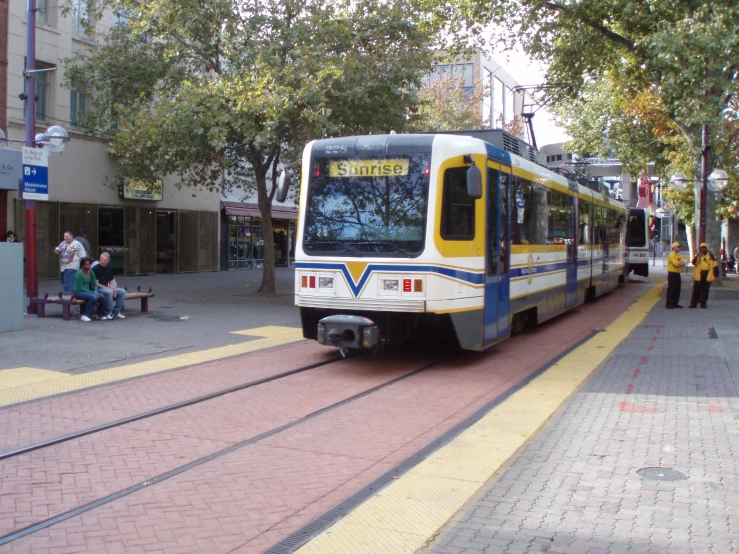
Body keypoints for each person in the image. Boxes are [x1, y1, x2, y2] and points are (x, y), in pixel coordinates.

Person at [92, 252, 126, 319]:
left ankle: (117, 312)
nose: (102, 261)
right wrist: (110, 289)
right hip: (98, 288)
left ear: (108, 261)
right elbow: (96, 284)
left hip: (107, 287)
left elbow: (111, 281)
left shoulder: (109, 269)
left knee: (122, 291)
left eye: (104, 260)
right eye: (101, 259)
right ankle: (108, 312)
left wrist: (112, 288)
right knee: (109, 292)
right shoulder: (95, 269)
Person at [689, 242, 718, 309]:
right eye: (702, 248)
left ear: (706, 248)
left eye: (704, 248)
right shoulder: (698, 255)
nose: (703, 249)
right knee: (696, 290)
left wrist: (715, 274)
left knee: (705, 290)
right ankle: (693, 304)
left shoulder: (711, 256)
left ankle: (703, 303)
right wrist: (698, 256)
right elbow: (694, 263)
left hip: (707, 274)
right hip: (699, 274)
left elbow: (715, 265)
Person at [73, 257, 99, 322]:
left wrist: (95, 291)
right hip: (78, 292)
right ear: (82, 265)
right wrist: (93, 292)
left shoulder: (91, 272)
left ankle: (101, 314)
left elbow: (95, 284)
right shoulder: (79, 273)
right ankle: (86, 315)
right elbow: (80, 288)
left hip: (88, 291)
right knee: (93, 297)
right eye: (87, 264)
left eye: (90, 264)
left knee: (102, 296)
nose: (89, 265)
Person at [666, 242, 686, 309]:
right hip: (672, 274)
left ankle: (675, 303)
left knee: (677, 289)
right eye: (678, 247)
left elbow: (684, 263)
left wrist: (680, 264)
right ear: (674, 248)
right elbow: (676, 265)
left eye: (679, 247)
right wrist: (680, 264)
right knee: (671, 289)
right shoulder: (671, 255)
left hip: (677, 274)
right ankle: (668, 304)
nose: (679, 248)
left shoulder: (678, 255)